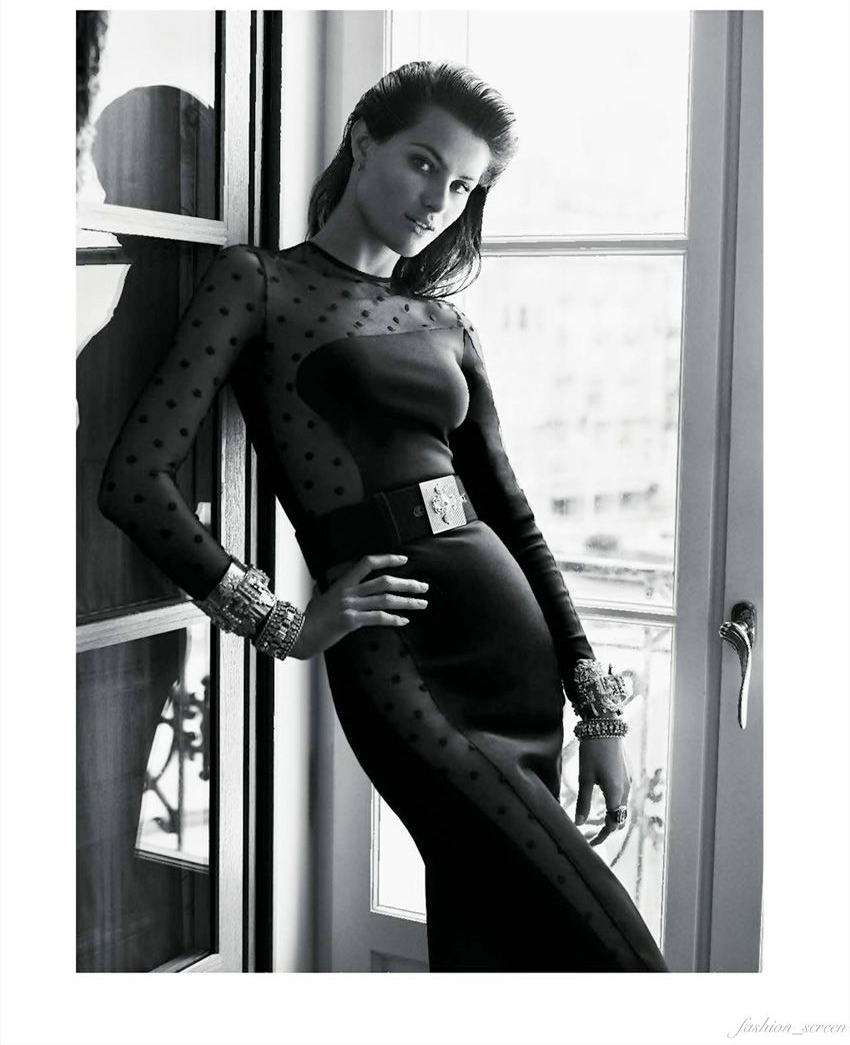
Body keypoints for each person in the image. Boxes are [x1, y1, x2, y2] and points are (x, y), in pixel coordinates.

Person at [98, 60, 670, 972]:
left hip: (512, 652)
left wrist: (597, 711)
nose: (438, 200)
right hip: (400, 659)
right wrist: (283, 623)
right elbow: (135, 479)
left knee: (492, 954)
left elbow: (514, 516)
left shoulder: (443, 320)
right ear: (364, 143)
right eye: (423, 163)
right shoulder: (258, 283)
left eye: (463, 185)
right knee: (620, 965)